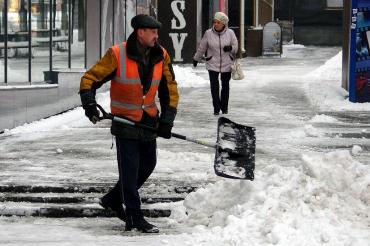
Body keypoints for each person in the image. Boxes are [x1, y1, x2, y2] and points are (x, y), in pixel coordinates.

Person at [79, 14, 179, 233]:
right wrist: (89, 105)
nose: (156, 36)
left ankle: (114, 199)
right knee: (130, 171)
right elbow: (89, 79)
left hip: (148, 121)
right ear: (140, 32)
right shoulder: (117, 54)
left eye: (157, 32)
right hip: (124, 122)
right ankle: (134, 217)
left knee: (147, 165)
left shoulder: (161, 54)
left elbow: (169, 88)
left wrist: (167, 120)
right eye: (152, 32)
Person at [193, 12, 238, 115]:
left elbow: (236, 47)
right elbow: (202, 47)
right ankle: (216, 108)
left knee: (225, 86)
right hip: (212, 63)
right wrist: (196, 58)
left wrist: (231, 48)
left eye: (218, 22)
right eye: (214, 22)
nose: (216, 24)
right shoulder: (208, 33)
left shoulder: (230, 33)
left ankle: (224, 107)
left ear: (223, 24)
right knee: (214, 87)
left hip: (227, 63)